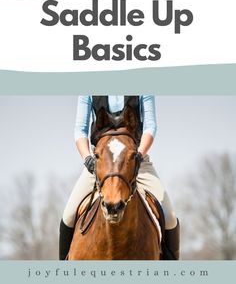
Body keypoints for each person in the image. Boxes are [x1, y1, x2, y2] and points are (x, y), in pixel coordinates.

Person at [59, 95, 180, 260]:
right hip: (100, 160)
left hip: (134, 159)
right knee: (68, 216)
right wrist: (88, 158)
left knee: (170, 217)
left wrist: (138, 156)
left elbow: (150, 127)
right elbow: (80, 130)